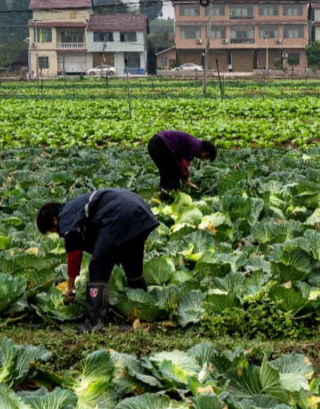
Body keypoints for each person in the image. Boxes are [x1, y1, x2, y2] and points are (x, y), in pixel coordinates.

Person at [36, 188, 158, 332]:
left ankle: (93, 323)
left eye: (54, 231)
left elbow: (74, 253)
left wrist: (70, 286)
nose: (58, 233)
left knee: (98, 267)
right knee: (132, 263)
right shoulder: (74, 207)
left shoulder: (66, 217)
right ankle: (144, 310)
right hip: (139, 208)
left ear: (54, 220)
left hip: (118, 214)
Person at [148, 130, 217, 191]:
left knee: (165, 173)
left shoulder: (194, 143)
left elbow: (179, 162)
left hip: (153, 143)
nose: (202, 159)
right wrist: (185, 179)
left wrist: (184, 178)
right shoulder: (195, 147)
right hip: (161, 144)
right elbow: (183, 164)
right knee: (174, 174)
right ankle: (173, 196)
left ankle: (161, 194)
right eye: (205, 157)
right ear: (203, 151)